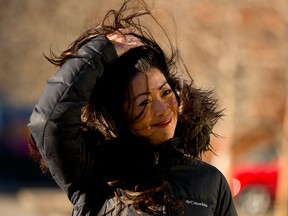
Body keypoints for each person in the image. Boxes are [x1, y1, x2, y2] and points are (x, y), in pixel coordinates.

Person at [27, 0, 238, 215]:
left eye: (166, 92)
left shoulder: (209, 181)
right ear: (119, 115)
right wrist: (98, 53)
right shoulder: (94, 175)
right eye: (144, 102)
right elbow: (49, 122)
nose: (162, 109)